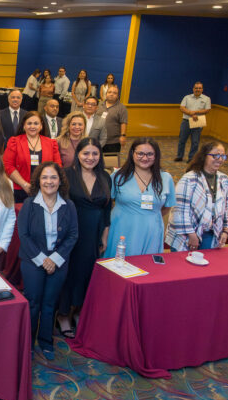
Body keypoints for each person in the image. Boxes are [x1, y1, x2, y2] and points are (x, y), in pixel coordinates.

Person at [17, 162, 78, 360]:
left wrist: (55, 259)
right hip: (33, 260)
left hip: (59, 261)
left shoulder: (68, 206)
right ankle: (28, 343)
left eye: (53, 177)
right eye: (45, 177)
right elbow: (23, 235)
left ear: (60, 181)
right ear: (38, 181)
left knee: (50, 304)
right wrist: (44, 260)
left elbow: (73, 235)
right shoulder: (29, 204)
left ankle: (46, 342)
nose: (49, 181)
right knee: (33, 303)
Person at [56, 138, 111, 338]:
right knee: (69, 273)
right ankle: (63, 314)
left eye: (94, 154)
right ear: (78, 154)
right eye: (86, 153)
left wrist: (104, 235)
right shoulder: (67, 175)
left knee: (87, 273)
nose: (90, 158)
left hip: (94, 232)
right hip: (70, 232)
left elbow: (106, 210)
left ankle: (78, 310)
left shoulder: (105, 176)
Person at [103, 138, 176, 257]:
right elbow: (106, 203)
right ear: (132, 154)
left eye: (150, 154)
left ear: (156, 155)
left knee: (146, 267)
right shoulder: (118, 176)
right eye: (140, 153)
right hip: (121, 227)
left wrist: (148, 215)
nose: (145, 158)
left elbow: (167, 208)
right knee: (118, 267)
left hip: (151, 230)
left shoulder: (165, 178)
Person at [165, 142, 228, 251]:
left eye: (223, 156)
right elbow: (179, 210)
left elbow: (226, 207)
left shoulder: (225, 179)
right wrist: (191, 235)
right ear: (204, 156)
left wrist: (225, 230)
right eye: (215, 155)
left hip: (211, 232)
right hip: (185, 234)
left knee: (206, 266)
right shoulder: (189, 179)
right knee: (181, 266)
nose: (220, 159)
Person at [3, 111, 62, 203]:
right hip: (20, 190)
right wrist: (25, 185)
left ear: (41, 126)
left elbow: (58, 166)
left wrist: (48, 184)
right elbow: (8, 165)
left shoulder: (51, 143)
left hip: (46, 190)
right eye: (29, 123)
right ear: (24, 126)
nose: (32, 126)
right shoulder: (14, 142)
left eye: (36, 123)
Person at [175, 81, 211, 162]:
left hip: (198, 121)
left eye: (199, 88)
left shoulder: (206, 99)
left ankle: (191, 158)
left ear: (202, 89)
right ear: (193, 89)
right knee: (182, 140)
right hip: (186, 121)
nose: (197, 89)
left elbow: (207, 110)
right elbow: (182, 108)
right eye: (196, 88)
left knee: (195, 142)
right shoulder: (187, 97)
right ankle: (179, 156)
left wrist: (196, 112)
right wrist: (191, 113)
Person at [98, 85, 128, 154]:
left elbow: (123, 122)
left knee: (111, 162)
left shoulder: (122, 108)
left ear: (118, 96)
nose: (111, 94)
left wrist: (123, 136)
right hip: (98, 139)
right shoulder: (99, 105)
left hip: (113, 142)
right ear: (106, 94)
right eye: (109, 92)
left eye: (115, 93)